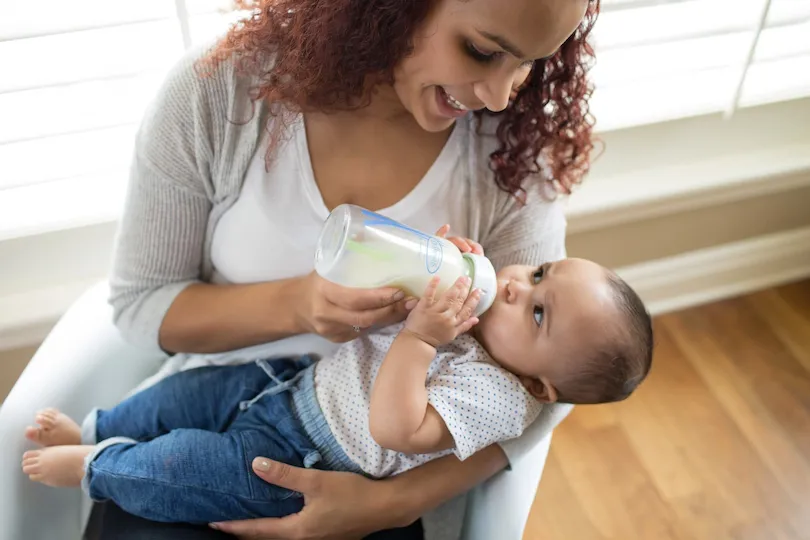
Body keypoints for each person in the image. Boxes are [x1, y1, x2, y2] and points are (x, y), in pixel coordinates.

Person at [14, 0, 603, 537]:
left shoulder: (513, 154)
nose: (500, 95)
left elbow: (553, 377)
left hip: (363, 473)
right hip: (215, 411)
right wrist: (300, 305)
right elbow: (142, 306)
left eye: (529, 62)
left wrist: (394, 502)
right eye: (481, 50)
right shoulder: (221, 94)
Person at [22, 249, 653, 524]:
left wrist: (422, 336)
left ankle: (97, 467)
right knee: (185, 396)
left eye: (537, 313)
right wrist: (433, 268)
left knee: (184, 469)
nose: (514, 286)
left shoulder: (501, 399)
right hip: (291, 383)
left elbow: (396, 427)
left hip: (305, 459)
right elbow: (391, 297)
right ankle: (102, 427)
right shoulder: (475, 316)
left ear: (540, 385)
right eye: (539, 273)